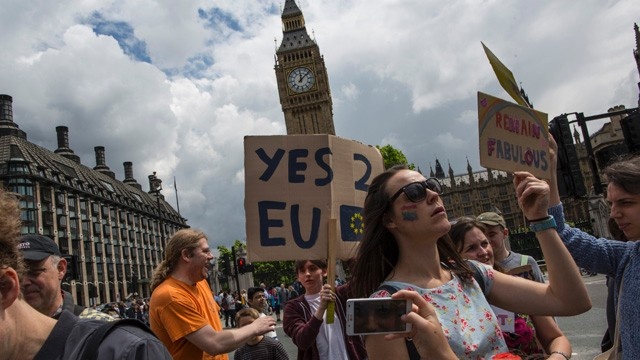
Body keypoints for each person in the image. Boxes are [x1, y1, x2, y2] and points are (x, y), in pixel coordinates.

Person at [349, 165, 591, 359]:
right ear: (390, 219)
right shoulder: (380, 309)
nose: (433, 195)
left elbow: (572, 301)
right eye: (415, 192)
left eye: (431, 186)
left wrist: (540, 220)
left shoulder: (470, 274)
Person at [0, 187, 172, 360]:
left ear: (61, 269)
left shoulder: (119, 346)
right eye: (21, 272)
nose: (26, 282)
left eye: (35, 271)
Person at [546, 138, 640, 358]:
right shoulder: (626, 258)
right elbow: (562, 235)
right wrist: (550, 173)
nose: (614, 213)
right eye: (610, 204)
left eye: (625, 203)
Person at [449, 217, 572, 359]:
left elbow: (556, 338)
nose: (483, 252)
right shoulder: (453, 303)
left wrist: (557, 357)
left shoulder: (516, 286)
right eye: (471, 248)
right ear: (453, 258)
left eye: (485, 243)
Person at [149, 229, 276, 360]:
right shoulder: (170, 295)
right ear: (186, 255)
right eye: (205, 251)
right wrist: (255, 327)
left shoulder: (201, 282)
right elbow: (214, 343)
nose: (211, 256)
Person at [283, 259, 367, 360]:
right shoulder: (293, 307)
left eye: (313, 269)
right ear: (298, 277)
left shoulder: (341, 294)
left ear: (325, 271)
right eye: (302, 271)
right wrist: (321, 308)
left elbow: (365, 278)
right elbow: (303, 341)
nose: (308, 274)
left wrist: (347, 257)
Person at [17, 234, 114, 321]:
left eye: (34, 272)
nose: (24, 282)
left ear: (60, 269)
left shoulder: (97, 326)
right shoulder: (8, 331)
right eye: (17, 275)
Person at [476, 211, 545, 282]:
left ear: (505, 233)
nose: (487, 240)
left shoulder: (526, 262)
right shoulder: (477, 269)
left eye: (492, 234)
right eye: (482, 236)